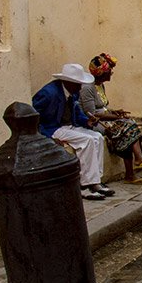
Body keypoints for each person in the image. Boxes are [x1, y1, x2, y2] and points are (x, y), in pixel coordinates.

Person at [33, 63, 114, 199]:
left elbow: (77, 112)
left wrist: (86, 121)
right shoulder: (49, 93)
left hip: (69, 126)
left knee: (97, 137)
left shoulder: (72, 92)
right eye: (78, 84)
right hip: (52, 128)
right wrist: (45, 136)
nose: (80, 87)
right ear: (68, 82)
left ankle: (96, 181)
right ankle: (84, 185)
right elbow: (35, 116)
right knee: (86, 140)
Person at [80, 53, 142, 185]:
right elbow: (91, 113)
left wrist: (115, 111)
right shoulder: (87, 88)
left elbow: (103, 107)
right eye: (109, 71)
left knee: (129, 124)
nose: (111, 73)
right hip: (95, 123)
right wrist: (114, 117)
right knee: (124, 130)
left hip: (104, 119)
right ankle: (136, 163)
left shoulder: (100, 86)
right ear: (101, 73)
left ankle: (135, 165)